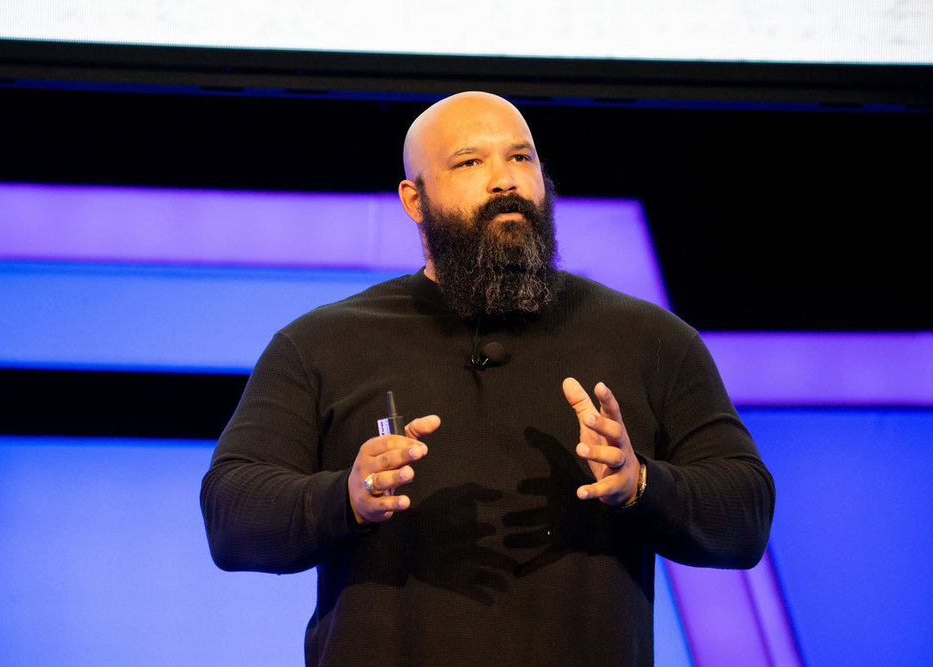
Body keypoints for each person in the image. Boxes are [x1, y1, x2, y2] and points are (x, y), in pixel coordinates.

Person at [200, 91, 775, 666]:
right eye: (470, 162)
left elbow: (746, 513)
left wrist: (642, 484)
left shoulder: (652, 340)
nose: (505, 180)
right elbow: (232, 515)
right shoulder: (322, 344)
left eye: (521, 158)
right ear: (413, 199)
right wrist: (345, 499)